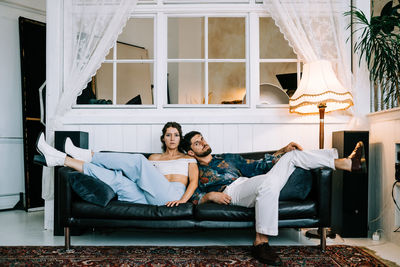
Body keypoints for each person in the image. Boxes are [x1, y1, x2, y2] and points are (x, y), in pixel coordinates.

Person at [181, 131, 366, 265]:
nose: (203, 143)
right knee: (267, 183)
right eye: (197, 143)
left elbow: (259, 165)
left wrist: (282, 150)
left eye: (202, 138)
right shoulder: (196, 168)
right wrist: (210, 196)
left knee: (291, 156)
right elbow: (194, 196)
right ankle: (262, 242)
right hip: (233, 192)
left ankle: (346, 163)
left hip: (251, 183)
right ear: (191, 152)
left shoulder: (229, 158)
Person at [36, 122, 198, 207]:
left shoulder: (188, 159)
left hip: (172, 196)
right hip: (148, 196)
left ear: (179, 138)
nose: (172, 138)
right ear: (163, 138)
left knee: (138, 160)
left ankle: (88, 155)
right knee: (116, 179)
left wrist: (183, 201)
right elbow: (141, 178)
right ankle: (61, 159)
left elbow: (194, 182)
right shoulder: (154, 158)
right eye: (168, 134)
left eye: (176, 135)